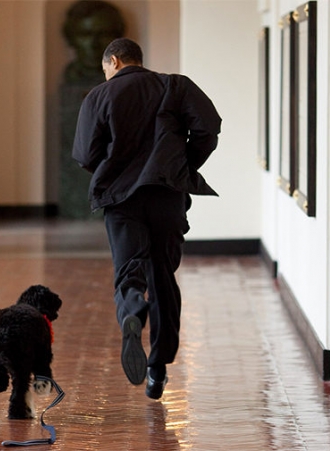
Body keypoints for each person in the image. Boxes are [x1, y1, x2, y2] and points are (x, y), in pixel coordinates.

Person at [72, 38, 221, 399]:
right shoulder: (174, 85)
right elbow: (208, 127)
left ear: (115, 61)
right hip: (166, 194)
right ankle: (158, 368)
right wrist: (180, 164)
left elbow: (84, 153)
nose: (105, 74)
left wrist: (112, 168)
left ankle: (132, 310)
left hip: (123, 199)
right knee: (163, 275)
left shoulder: (99, 96)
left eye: (105, 68)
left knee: (129, 269)